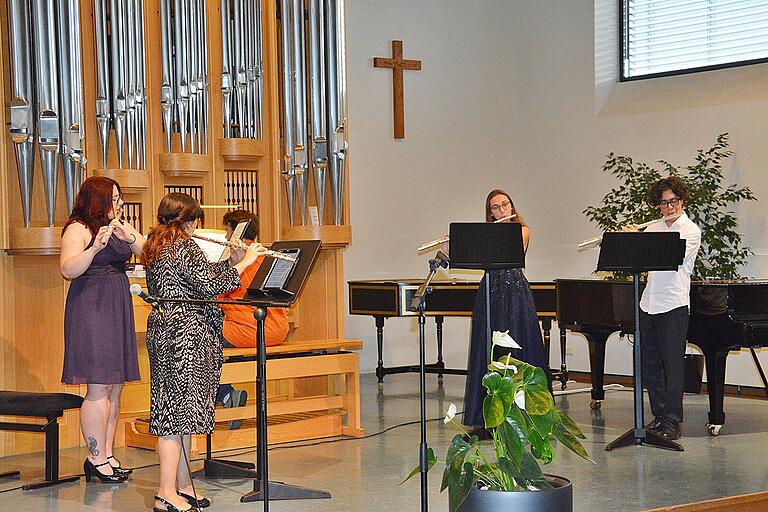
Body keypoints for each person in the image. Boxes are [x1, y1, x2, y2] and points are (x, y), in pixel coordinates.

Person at [141, 194, 265, 512]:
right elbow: (208, 284)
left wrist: (231, 263)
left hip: (166, 330)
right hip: (184, 335)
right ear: (190, 220)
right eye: (197, 221)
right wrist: (245, 261)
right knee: (173, 418)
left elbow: (196, 279)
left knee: (178, 416)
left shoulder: (156, 243)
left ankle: (182, 485)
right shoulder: (182, 245)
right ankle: (165, 492)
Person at [60, 176, 146, 483]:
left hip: (116, 303)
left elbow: (148, 252)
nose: (119, 203)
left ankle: (107, 454)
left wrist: (128, 232)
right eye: (114, 198)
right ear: (97, 201)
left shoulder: (117, 224)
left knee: (115, 385)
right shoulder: (79, 228)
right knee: (98, 387)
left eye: (120, 198)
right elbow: (68, 268)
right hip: (91, 307)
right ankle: (94, 458)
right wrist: (95, 248)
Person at [463, 189, 549, 436]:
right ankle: (488, 417)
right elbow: (476, 259)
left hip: (514, 293)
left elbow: (512, 253)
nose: (501, 210)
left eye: (505, 205)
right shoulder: (485, 235)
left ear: (512, 207)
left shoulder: (523, 230)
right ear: (490, 213)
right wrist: (458, 244)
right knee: (488, 349)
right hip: (489, 291)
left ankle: (521, 414)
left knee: (517, 348)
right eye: (495, 207)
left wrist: (486, 240)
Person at [623, 176, 701, 441]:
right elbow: (641, 263)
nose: (669, 207)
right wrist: (631, 242)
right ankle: (659, 416)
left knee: (673, 364)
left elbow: (670, 257)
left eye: (674, 201)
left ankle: (673, 420)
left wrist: (641, 242)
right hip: (649, 303)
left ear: (682, 200)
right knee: (650, 363)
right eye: (664, 203)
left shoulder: (690, 230)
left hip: (674, 304)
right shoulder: (654, 226)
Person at [215, 210, 290, 429]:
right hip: (278, 329)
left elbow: (217, 296)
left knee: (199, 345)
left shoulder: (239, 259)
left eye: (226, 230)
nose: (225, 235)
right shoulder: (266, 256)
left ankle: (227, 395)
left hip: (249, 330)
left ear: (234, 231)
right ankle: (226, 395)